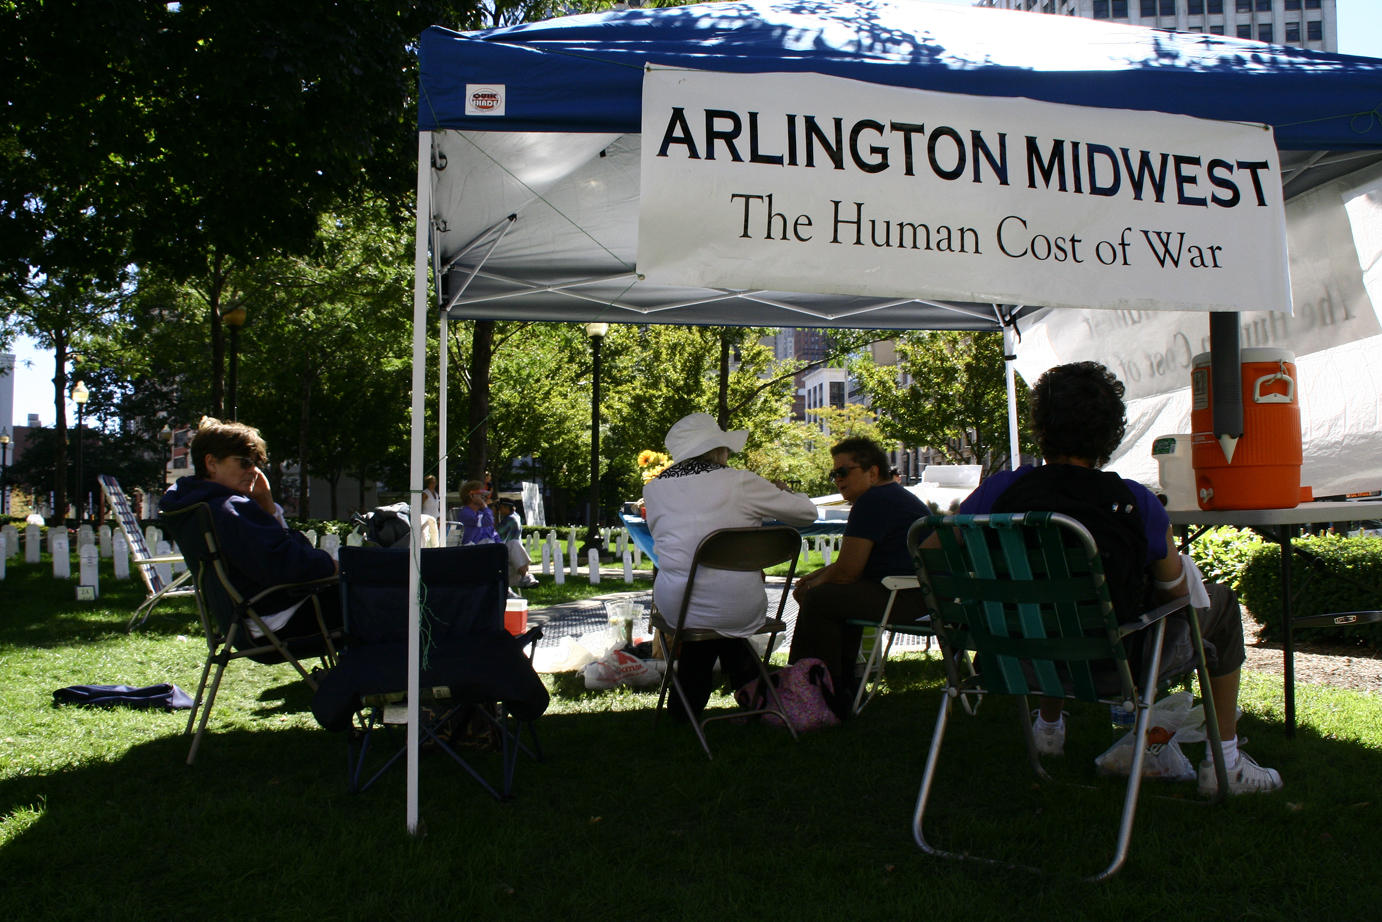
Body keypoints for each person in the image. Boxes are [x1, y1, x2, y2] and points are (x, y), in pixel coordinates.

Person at [949, 361, 1281, 796]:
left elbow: (940, 551)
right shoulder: (1135, 503)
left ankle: (1049, 728)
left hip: (1015, 659)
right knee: (1219, 605)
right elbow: (1176, 593)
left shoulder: (997, 494)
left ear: (1040, 426)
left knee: (1048, 599)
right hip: (1112, 668)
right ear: (1111, 431)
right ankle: (1227, 764)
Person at [643, 412, 818, 719]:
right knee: (724, 621)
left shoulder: (654, 490)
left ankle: (689, 706)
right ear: (718, 450)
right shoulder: (741, 482)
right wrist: (783, 492)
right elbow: (806, 513)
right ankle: (755, 694)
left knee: (705, 624)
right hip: (740, 604)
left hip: (676, 605)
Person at [159, 416, 340, 638]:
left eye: (256, 463)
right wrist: (332, 565)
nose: (254, 471)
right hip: (279, 617)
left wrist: (266, 502)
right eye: (245, 462)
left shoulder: (199, 506)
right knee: (382, 597)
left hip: (245, 621)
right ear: (211, 463)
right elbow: (287, 564)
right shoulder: (230, 509)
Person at [787, 436, 930, 714]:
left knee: (822, 599)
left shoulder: (873, 500)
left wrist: (813, 584)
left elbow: (848, 572)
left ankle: (821, 693)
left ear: (872, 472)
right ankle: (836, 686)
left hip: (910, 596)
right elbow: (851, 564)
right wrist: (817, 576)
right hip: (917, 592)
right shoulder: (889, 496)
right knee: (831, 596)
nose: (837, 479)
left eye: (843, 471)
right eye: (833, 473)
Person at [496, 497, 538, 587]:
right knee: (514, 544)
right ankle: (526, 577)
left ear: (507, 507)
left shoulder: (510, 519)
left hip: (509, 552)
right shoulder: (516, 516)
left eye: (500, 507)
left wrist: (494, 516)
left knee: (513, 544)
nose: (499, 510)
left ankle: (525, 577)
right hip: (513, 553)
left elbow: (497, 533)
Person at [456, 479, 500, 544]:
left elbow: (494, 534)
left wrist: (501, 545)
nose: (484, 498)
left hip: (489, 548)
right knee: (488, 542)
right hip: (473, 549)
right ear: (471, 496)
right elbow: (488, 521)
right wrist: (484, 506)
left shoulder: (482, 513)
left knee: (514, 543)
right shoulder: (465, 513)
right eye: (481, 495)